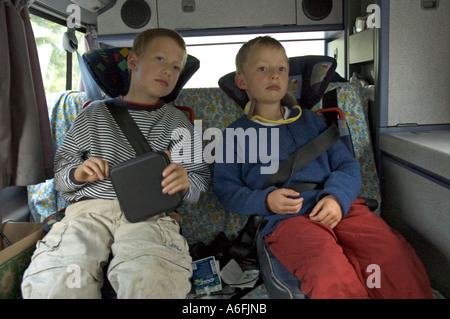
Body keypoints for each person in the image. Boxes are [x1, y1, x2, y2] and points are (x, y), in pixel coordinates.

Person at [213, 36, 433, 299]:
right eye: (262, 68)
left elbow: (347, 166)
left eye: (281, 68)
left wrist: (336, 199)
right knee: (327, 268)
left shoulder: (314, 123)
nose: (274, 75)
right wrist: (266, 200)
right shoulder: (234, 135)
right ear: (242, 81)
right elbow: (226, 190)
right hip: (287, 220)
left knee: (389, 253)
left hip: (340, 207)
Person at [21, 28, 209, 299]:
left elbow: (200, 182)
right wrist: (78, 173)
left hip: (150, 215)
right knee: (59, 279)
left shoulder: (179, 123)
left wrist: (185, 182)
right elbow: (60, 177)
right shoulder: (91, 115)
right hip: (88, 213)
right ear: (133, 62)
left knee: (153, 279)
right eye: (159, 59)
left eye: (176, 66)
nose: (168, 70)